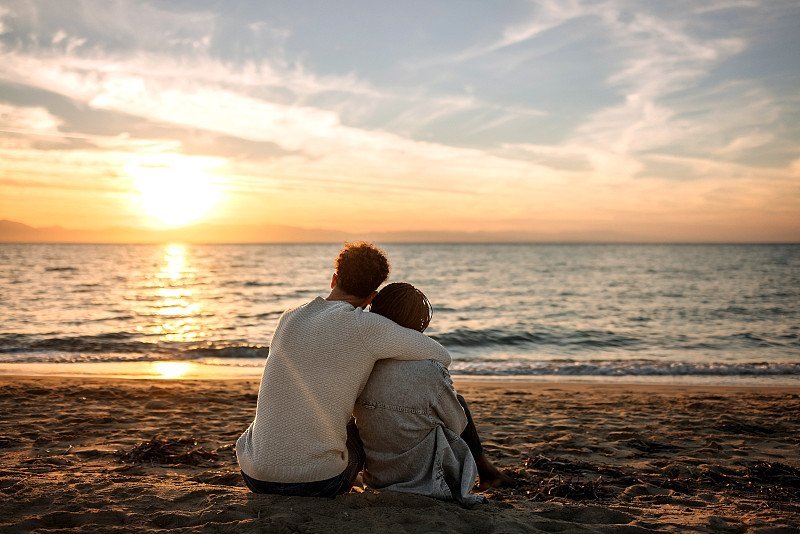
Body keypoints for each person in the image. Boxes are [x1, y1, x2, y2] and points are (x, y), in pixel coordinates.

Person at [236, 242, 451, 497]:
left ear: (333, 279)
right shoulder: (366, 326)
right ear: (372, 297)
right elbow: (441, 354)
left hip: (254, 474)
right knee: (361, 428)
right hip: (319, 482)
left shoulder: (289, 317)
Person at [354, 282, 512, 506]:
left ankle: (488, 472)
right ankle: (487, 472)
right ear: (419, 322)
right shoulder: (430, 370)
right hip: (425, 481)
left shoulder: (361, 365)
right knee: (455, 406)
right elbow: (457, 426)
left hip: (378, 478)